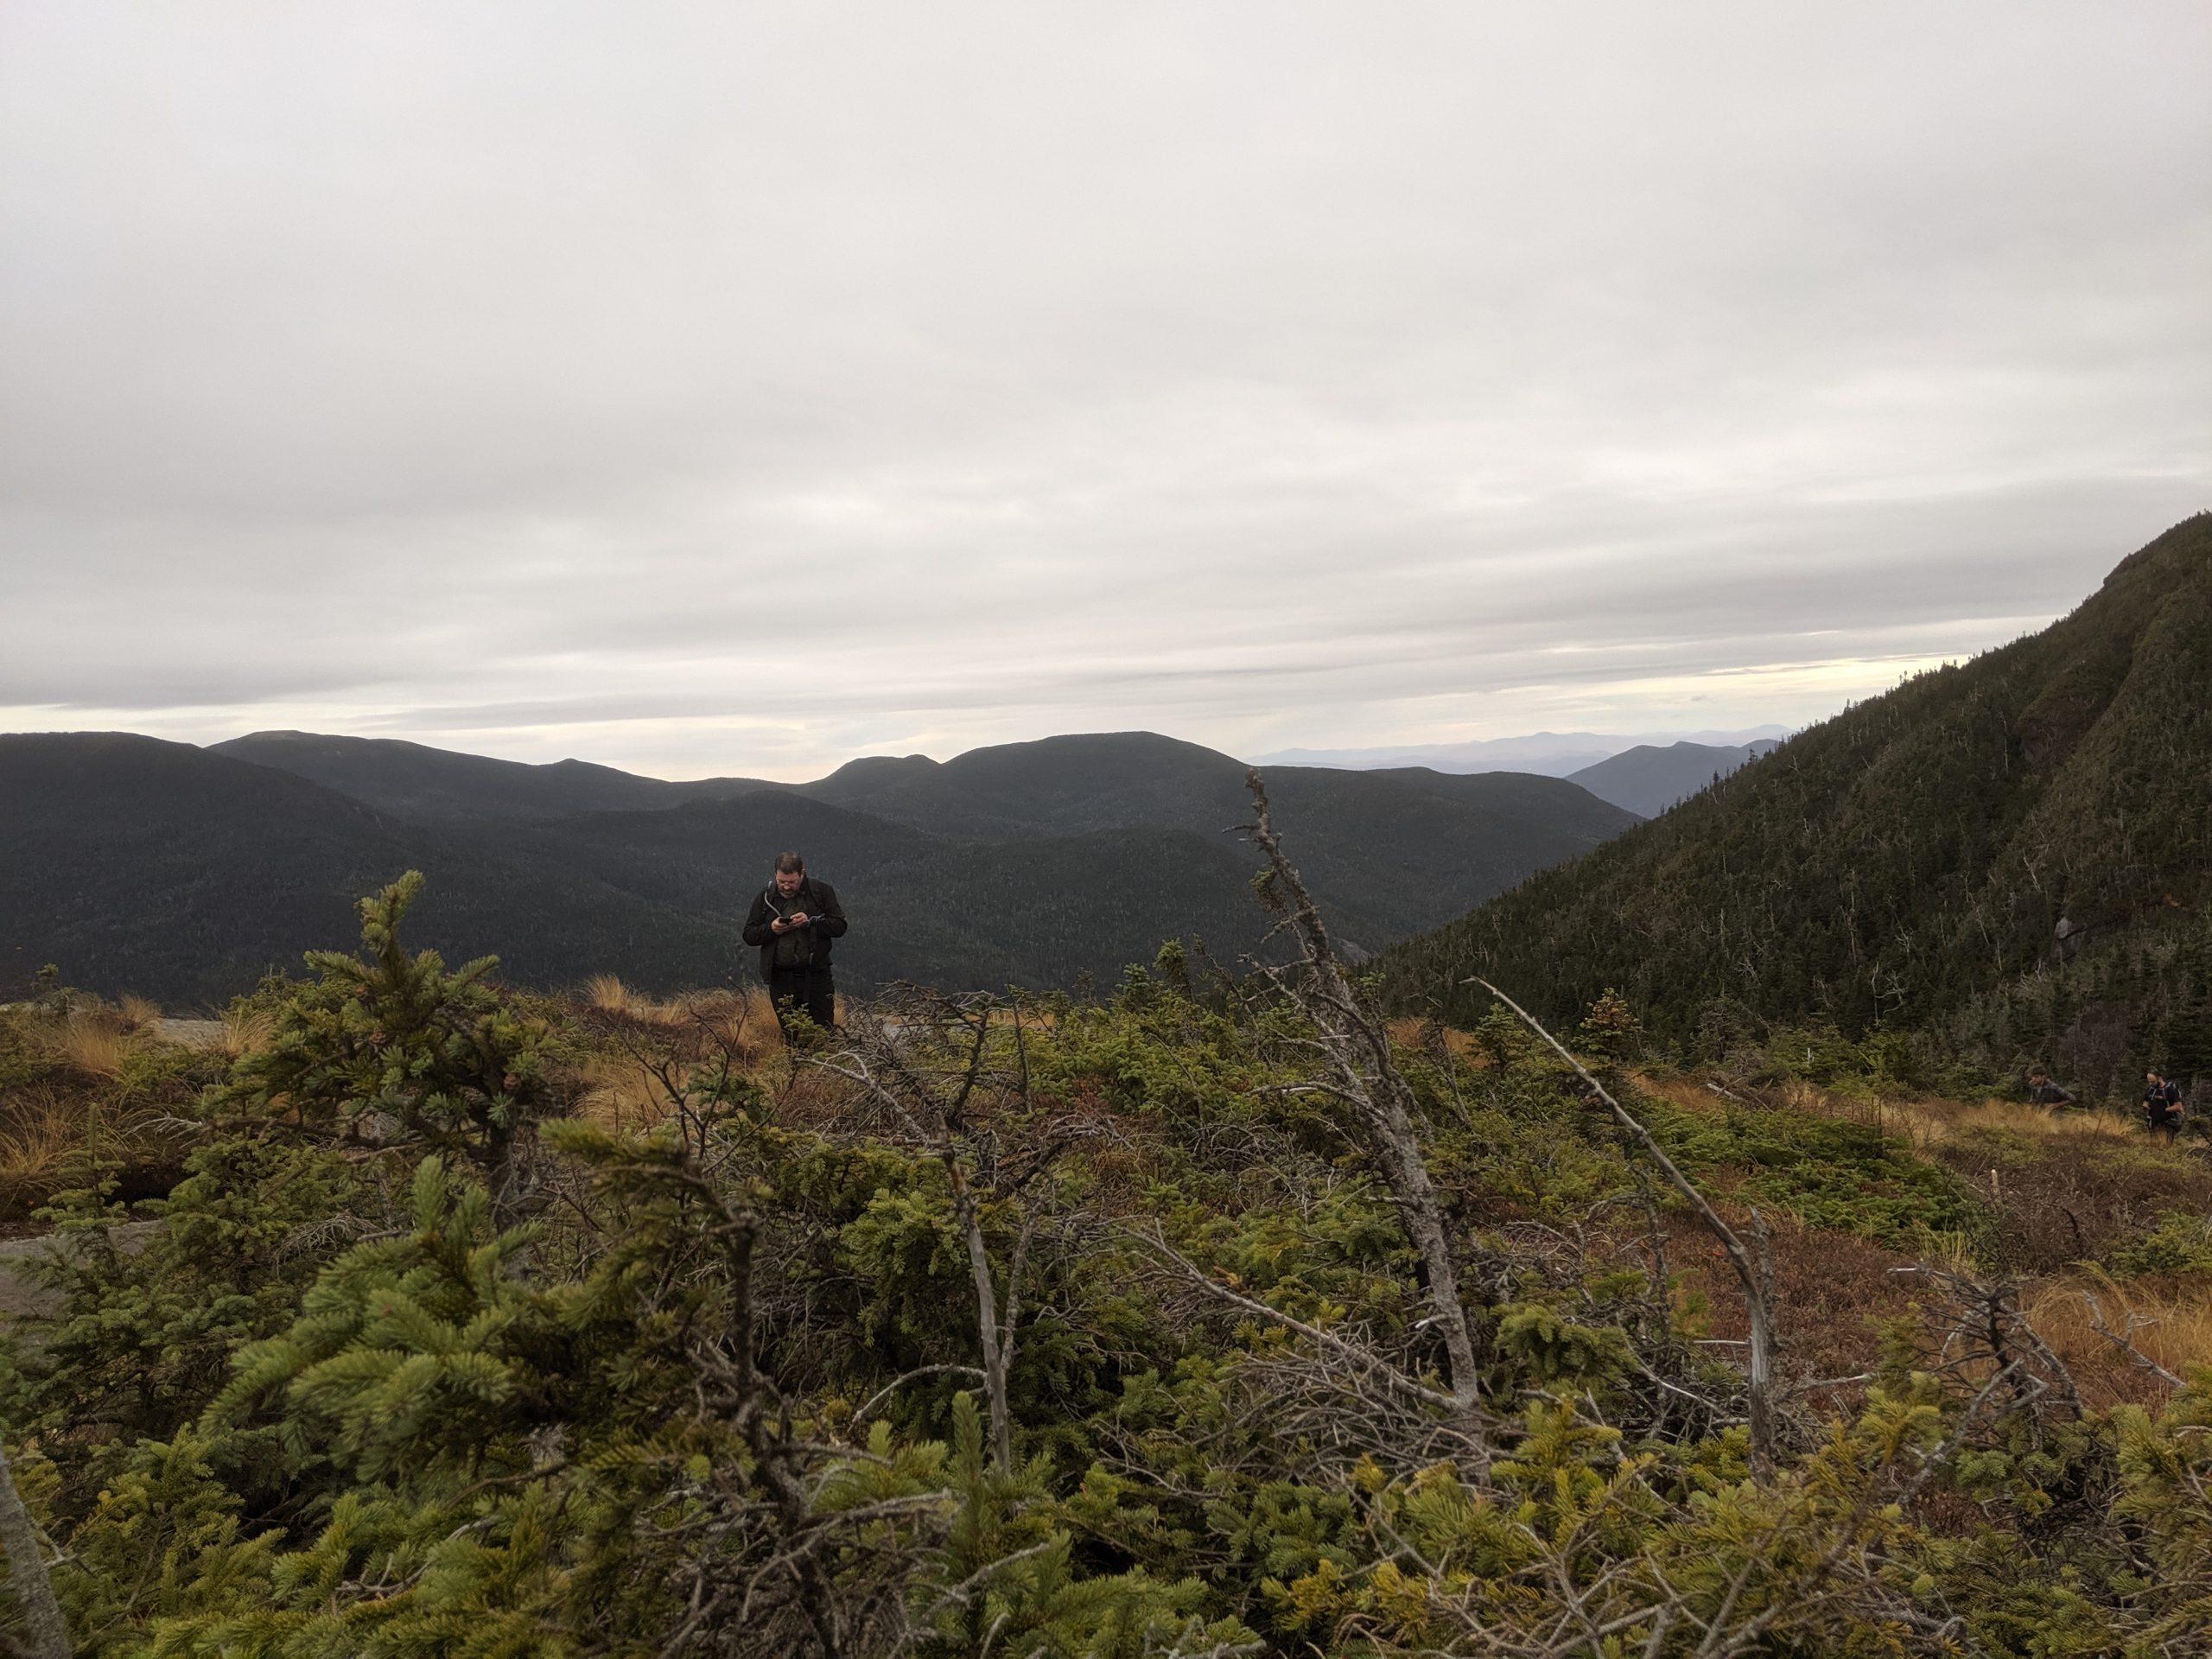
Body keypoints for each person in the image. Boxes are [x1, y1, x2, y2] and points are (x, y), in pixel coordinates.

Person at [741, 852, 847, 1043]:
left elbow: (839, 926)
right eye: (781, 882)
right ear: (775, 874)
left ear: (802, 874)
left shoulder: (821, 892)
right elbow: (749, 935)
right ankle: (795, 1062)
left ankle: (822, 1061)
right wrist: (771, 929)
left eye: (792, 882)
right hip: (781, 978)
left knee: (823, 1032)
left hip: (816, 975)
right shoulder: (766, 897)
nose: (786, 887)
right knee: (791, 1036)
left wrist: (811, 922)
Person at [2143, 1069, 2185, 1145]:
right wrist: (2146, 1108)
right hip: (2154, 1121)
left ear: (2159, 1078)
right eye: (2149, 1082)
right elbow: (2146, 1101)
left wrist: (2164, 1110)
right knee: (2154, 1144)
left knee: (2167, 1145)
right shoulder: (2151, 1089)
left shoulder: (2170, 1089)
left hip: (2169, 1122)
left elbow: (2178, 1106)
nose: (2150, 1084)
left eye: (2153, 1082)